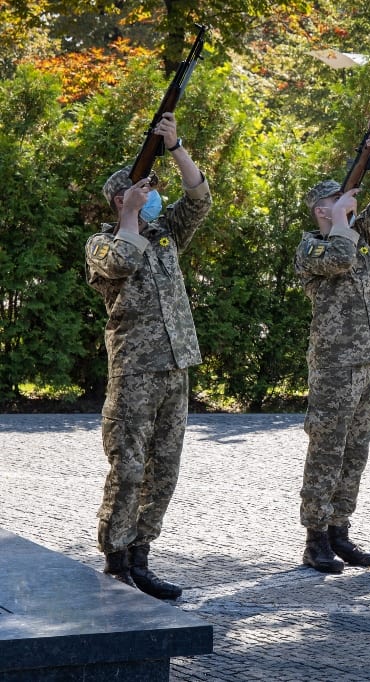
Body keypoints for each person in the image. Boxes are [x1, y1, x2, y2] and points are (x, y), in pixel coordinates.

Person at [85, 112, 212, 599]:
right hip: (135, 373)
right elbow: (121, 261)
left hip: (175, 366)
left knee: (165, 469)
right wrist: (129, 216)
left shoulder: (166, 235)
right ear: (121, 199)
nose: (152, 196)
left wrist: (176, 147)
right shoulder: (103, 242)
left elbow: (199, 198)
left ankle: (143, 555)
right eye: (141, 191)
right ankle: (117, 561)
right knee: (129, 467)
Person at [294, 125, 370, 573]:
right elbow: (339, 259)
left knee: (356, 450)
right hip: (335, 365)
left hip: (367, 360)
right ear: (321, 209)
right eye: (338, 200)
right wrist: (341, 221)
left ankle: (341, 530)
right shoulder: (312, 247)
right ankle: (315, 538)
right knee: (327, 450)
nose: (350, 203)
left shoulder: (359, 233)